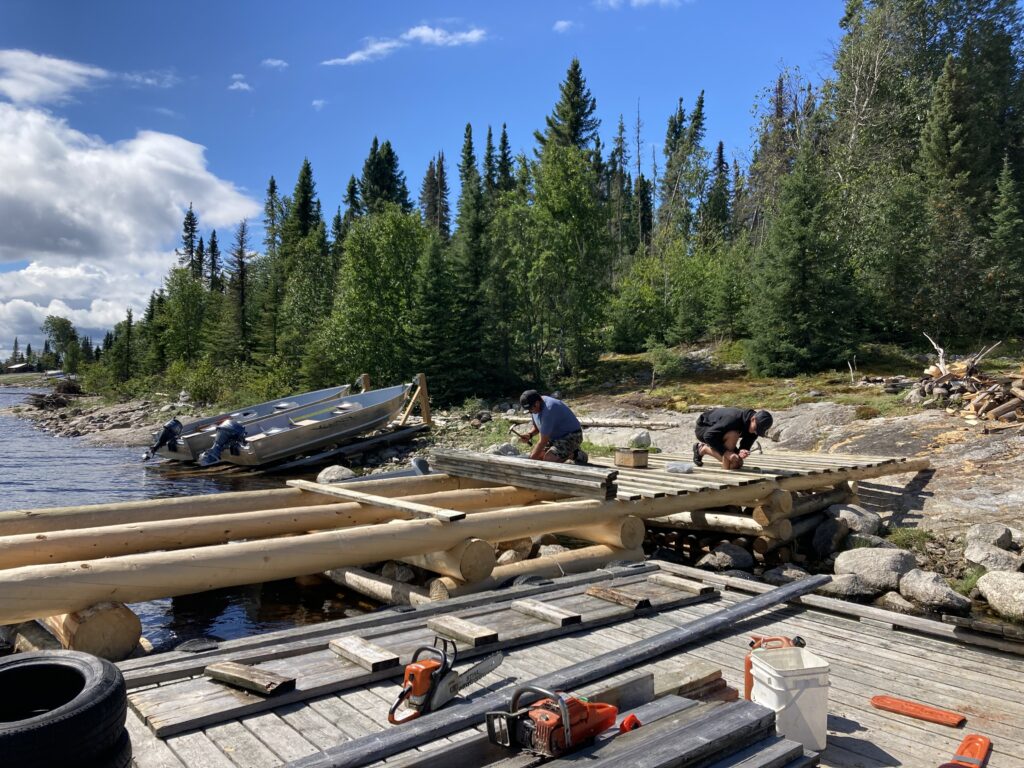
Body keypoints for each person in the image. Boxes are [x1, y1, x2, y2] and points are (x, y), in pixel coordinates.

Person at [518, 390, 587, 464]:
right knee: (539, 456)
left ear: (537, 403)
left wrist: (530, 463)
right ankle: (565, 453)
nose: (530, 412)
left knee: (549, 459)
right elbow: (537, 427)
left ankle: (576, 454)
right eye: (528, 410)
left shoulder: (549, 409)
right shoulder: (534, 406)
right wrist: (530, 434)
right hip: (554, 438)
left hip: (572, 436)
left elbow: (542, 442)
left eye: (531, 409)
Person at [693, 407, 773, 470]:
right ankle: (704, 449)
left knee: (736, 464)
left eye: (758, 431)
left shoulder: (755, 428)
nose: (755, 432)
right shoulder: (733, 418)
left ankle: (702, 450)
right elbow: (708, 436)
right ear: (753, 419)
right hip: (705, 429)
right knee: (733, 434)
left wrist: (742, 451)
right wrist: (727, 453)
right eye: (756, 429)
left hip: (720, 433)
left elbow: (745, 445)